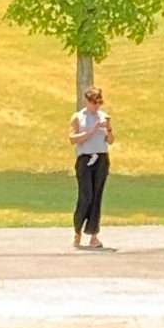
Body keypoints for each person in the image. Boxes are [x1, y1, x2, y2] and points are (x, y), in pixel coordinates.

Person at [69, 86, 115, 248]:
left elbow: (110, 140)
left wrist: (107, 129)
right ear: (87, 101)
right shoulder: (78, 117)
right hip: (85, 159)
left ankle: (94, 235)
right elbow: (73, 139)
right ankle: (77, 231)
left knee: (97, 196)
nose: (97, 106)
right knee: (86, 196)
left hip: (101, 158)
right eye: (94, 103)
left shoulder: (103, 116)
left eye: (99, 102)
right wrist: (92, 130)